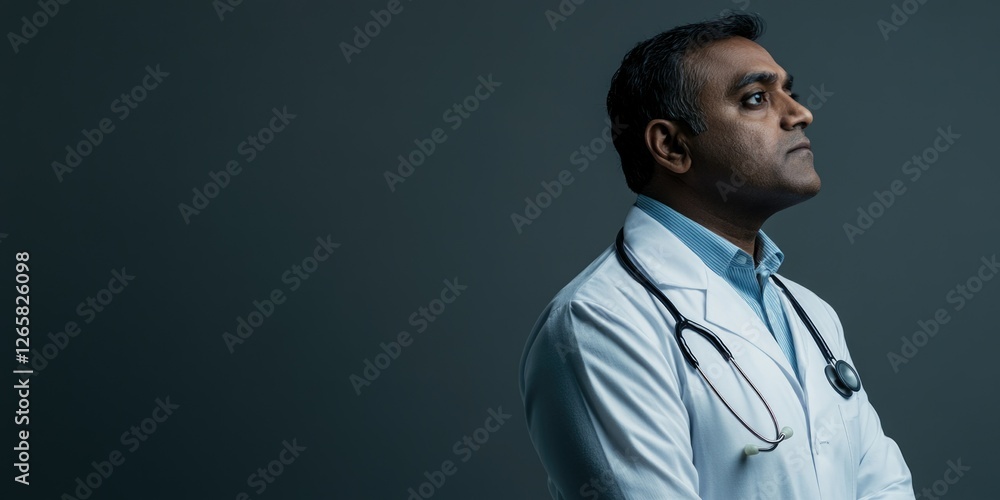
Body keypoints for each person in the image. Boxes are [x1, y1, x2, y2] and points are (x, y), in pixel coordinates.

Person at [518, 12, 913, 499]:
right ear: (672, 145)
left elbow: (885, 486)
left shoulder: (813, 316)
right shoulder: (598, 322)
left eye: (791, 92)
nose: (799, 114)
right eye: (756, 99)